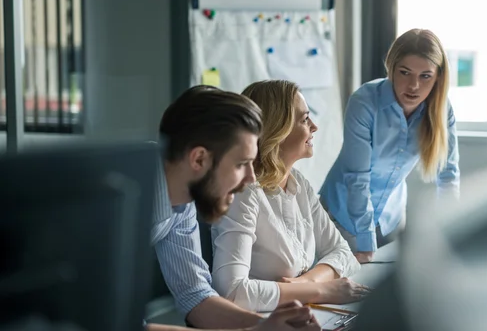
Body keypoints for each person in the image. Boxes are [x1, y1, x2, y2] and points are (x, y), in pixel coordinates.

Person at [146, 85, 321, 331]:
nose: (251, 178)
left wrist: (267, 325)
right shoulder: (121, 195)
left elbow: (195, 296)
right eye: (242, 164)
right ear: (199, 159)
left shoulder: (183, 202)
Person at [211, 80, 368, 313]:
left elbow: (343, 253)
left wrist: (306, 283)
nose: (314, 126)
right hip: (258, 322)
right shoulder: (243, 191)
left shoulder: (298, 183)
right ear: (278, 130)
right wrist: (322, 290)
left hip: (296, 312)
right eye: (305, 119)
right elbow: (232, 293)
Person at [319, 28, 460, 264]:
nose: (414, 85)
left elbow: (448, 175)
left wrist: (452, 232)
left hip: (391, 218)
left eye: (425, 75)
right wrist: (364, 242)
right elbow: (357, 177)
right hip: (342, 217)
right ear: (391, 68)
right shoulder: (364, 101)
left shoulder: (442, 109)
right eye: (405, 72)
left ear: (438, 77)